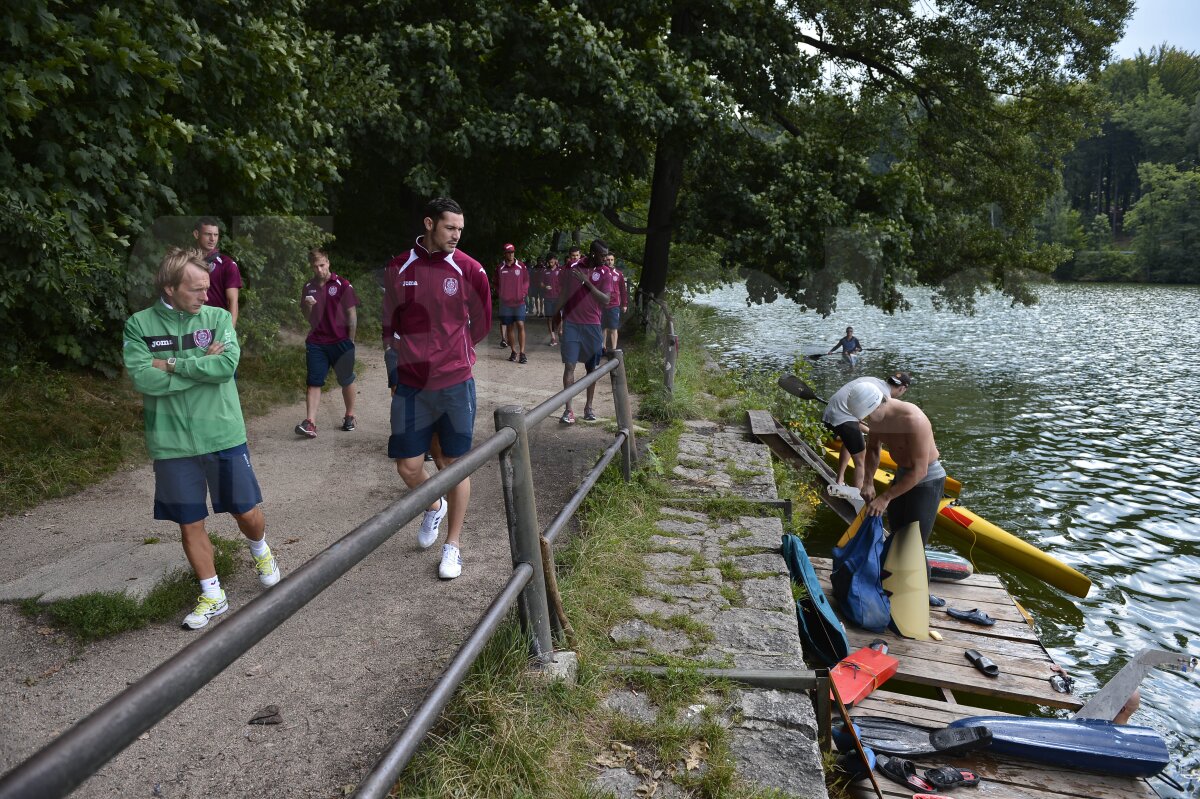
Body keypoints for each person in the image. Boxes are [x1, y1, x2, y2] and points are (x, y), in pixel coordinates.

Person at [124, 247, 281, 630]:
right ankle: (213, 593)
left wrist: (173, 363)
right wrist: (199, 366)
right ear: (169, 287)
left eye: (207, 288)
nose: (204, 296)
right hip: (171, 442)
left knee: (245, 511)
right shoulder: (140, 325)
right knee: (189, 521)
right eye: (195, 290)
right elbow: (142, 377)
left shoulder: (218, 318)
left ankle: (260, 550)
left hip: (222, 433)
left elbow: (225, 366)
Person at [381, 197, 492, 580]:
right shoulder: (399, 267)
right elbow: (389, 326)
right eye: (450, 228)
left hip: (454, 383)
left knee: (453, 465)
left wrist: (451, 354)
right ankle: (433, 507)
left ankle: (453, 546)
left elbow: (481, 323)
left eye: (460, 229)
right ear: (429, 223)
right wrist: (398, 368)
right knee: (408, 466)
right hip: (412, 386)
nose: (456, 235)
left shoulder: (469, 269)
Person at [850, 382, 947, 546]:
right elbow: (873, 449)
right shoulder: (876, 417)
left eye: (868, 415)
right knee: (896, 537)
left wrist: (885, 497)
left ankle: (920, 571)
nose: (866, 420)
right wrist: (868, 482)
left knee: (913, 545)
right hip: (902, 474)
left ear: (879, 404)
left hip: (927, 479)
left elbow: (920, 470)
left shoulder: (913, 420)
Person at [295, 248, 359, 437]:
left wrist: (351, 342)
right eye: (315, 266)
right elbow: (307, 317)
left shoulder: (343, 285)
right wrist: (307, 307)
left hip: (340, 341)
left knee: (346, 379)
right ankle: (310, 422)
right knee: (313, 381)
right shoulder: (308, 287)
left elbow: (352, 315)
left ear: (328, 262)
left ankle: (349, 415)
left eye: (322, 265)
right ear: (311, 267)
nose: (319, 269)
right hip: (317, 341)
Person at [555, 239, 612, 424]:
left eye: (606, 255)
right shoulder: (573, 268)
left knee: (591, 369)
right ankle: (568, 410)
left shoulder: (606, 272)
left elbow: (605, 299)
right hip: (571, 323)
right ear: (593, 253)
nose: (605, 258)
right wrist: (558, 318)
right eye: (602, 255)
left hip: (592, 326)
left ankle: (588, 407)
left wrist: (587, 282)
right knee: (569, 366)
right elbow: (564, 293)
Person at [823, 372, 911, 487]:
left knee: (851, 441)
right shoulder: (883, 397)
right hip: (843, 420)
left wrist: (871, 431)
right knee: (861, 462)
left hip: (828, 415)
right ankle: (858, 497)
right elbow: (874, 434)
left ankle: (839, 479)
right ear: (903, 388)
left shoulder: (873, 380)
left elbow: (858, 421)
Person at [192, 217, 243, 328]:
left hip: (216, 325)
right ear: (196, 234)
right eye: (208, 234)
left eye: (216, 235)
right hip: (189, 324)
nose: (212, 239)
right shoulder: (185, 262)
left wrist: (229, 333)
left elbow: (232, 301)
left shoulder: (228, 264)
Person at [497, 243, 530, 364]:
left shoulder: (521, 266)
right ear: (504, 254)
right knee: (510, 327)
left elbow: (526, 280)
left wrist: (524, 292)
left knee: (520, 324)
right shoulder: (500, 267)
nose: (511, 254)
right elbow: (496, 283)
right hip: (506, 303)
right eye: (508, 252)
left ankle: (522, 353)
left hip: (519, 302)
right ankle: (513, 351)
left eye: (512, 252)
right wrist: (501, 293)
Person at [601, 252, 628, 356]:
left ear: (614, 260)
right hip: (602, 304)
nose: (610, 262)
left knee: (613, 328)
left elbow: (623, 290)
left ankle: (613, 350)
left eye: (611, 260)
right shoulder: (601, 272)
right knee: (602, 327)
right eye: (608, 259)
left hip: (614, 305)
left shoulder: (619, 274)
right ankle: (602, 348)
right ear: (605, 260)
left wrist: (624, 304)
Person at [542, 254, 562, 346]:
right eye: (549, 262)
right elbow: (541, 283)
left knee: (558, 317)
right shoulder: (545, 271)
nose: (550, 264)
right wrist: (545, 286)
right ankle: (552, 337)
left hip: (558, 298)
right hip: (548, 297)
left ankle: (560, 332)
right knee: (549, 317)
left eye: (552, 262)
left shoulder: (561, 271)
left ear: (556, 261)